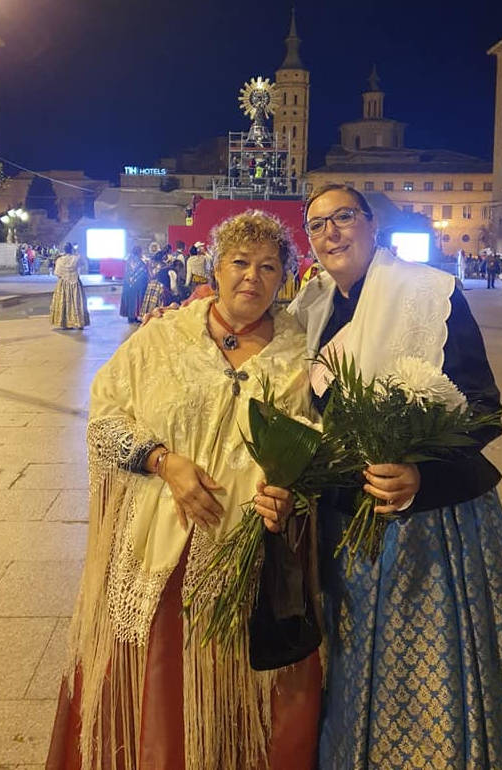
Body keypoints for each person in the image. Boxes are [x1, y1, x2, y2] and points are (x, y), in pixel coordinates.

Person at [265, 184, 502, 768]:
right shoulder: (311, 309)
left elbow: (483, 407)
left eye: (344, 217)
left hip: (432, 525)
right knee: (354, 661)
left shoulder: (429, 293)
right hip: (344, 525)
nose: (331, 233)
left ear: (372, 226)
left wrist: (421, 474)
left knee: (428, 668)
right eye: (317, 225)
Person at [46, 210, 321, 770]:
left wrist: (294, 494)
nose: (252, 277)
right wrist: (163, 461)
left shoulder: (303, 351)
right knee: (161, 694)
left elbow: (321, 448)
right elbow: (105, 420)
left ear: (285, 276)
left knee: (244, 696)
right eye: (240, 262)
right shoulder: (164, 336)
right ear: (214, 268)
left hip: (252, 561)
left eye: (268, 266)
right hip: (162, 554)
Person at [49, 242, 90, 330]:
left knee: (64, 302)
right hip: (75, 282)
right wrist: (75, 252)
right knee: (77, 302)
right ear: (71, 249)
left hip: (63, 283)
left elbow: (57, 273)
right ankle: (79, 322)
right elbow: (83, 263)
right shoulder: (76, 258)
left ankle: (65, 323)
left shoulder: (59, 260)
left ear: (64, 250)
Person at [119, 246, 148, 323]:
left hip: (128, 284)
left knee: (129, 300)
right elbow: (144, 272)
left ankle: (130, 317)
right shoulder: (140, 262)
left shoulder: (128, 260)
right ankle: (134, 316)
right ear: (139, 252)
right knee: (136, 300)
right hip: (137, 285)